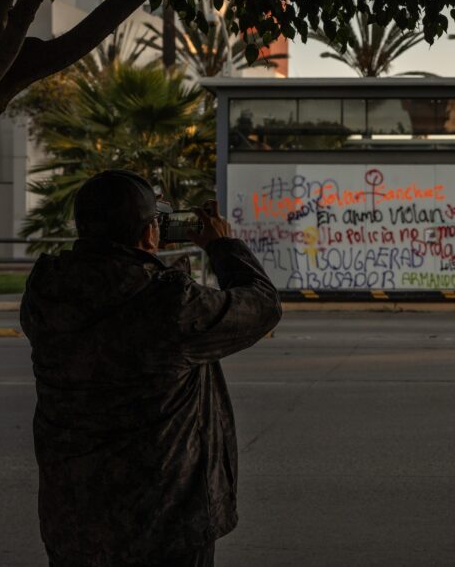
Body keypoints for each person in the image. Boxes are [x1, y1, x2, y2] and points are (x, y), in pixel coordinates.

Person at [20, 169, 282, 566]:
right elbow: (262, 306)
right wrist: (223, 245)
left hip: (72, 519)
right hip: (164, 521)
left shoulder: (45, 291)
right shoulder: (168, 303)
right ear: (148, 235)